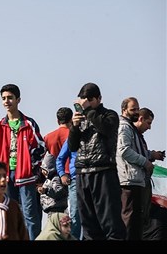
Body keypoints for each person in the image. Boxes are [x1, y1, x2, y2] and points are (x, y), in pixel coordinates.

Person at [68, 82, 126, 240]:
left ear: (99, 98)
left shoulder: (109, 115)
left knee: (111, 223)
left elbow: (106, 129)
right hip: (82, 174)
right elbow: (72, 146)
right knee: (88, 226)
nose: (86, 102)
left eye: (90, 99)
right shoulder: (82, 119)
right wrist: (74, 127)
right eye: (83, 99)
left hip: (103, 172)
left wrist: (89, 111)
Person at [0, 84, 45, 240]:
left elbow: (40, 147)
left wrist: (30, 165)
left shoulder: (28, 123)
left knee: (30, 215)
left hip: (25, 175)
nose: (7, 101)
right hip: (6, 176)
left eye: (10, 98)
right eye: (4, 98)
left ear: (18, 99)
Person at [116, 97, 153, 240]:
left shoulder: (130, 127)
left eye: (137, 109)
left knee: (136, 222)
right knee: (130, 221)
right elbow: (124, 150)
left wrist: (150, 156)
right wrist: (145, 162)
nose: (136, 112)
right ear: (124, 110)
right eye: (133, 109)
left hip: (135, 179)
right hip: (129, 180)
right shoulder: (124, 127)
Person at [133, 107, 165, 237]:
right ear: (141, 119)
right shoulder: (130, 134)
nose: (149, 127)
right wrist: (146, 162)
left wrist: (152, 155)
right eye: (149, 123)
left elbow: (140, 153)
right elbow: (130, 153)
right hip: (135, 182)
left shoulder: (138, 137)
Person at [56, 140, 81, 239]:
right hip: (76, 179)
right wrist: (62, 174)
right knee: (75, 214)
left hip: (93, 178)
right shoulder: (71, 138)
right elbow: (60, 159)